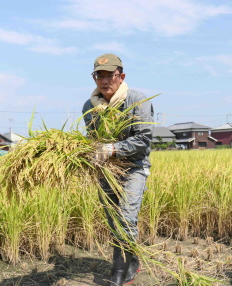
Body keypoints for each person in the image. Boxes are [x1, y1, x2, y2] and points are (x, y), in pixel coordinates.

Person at [82, 53, 154, 286]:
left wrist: (113, 149)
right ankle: (131, 260)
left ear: (121, 76)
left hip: (134, 166)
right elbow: (92, 139)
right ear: (94, 78)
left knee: (126, 217)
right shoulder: (89, 106)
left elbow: (143, 139)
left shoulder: (137, 100)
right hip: (106, 169)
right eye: (99, 76)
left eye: (110, 76)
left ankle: (120, 271)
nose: (104, 81)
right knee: (113, 218)